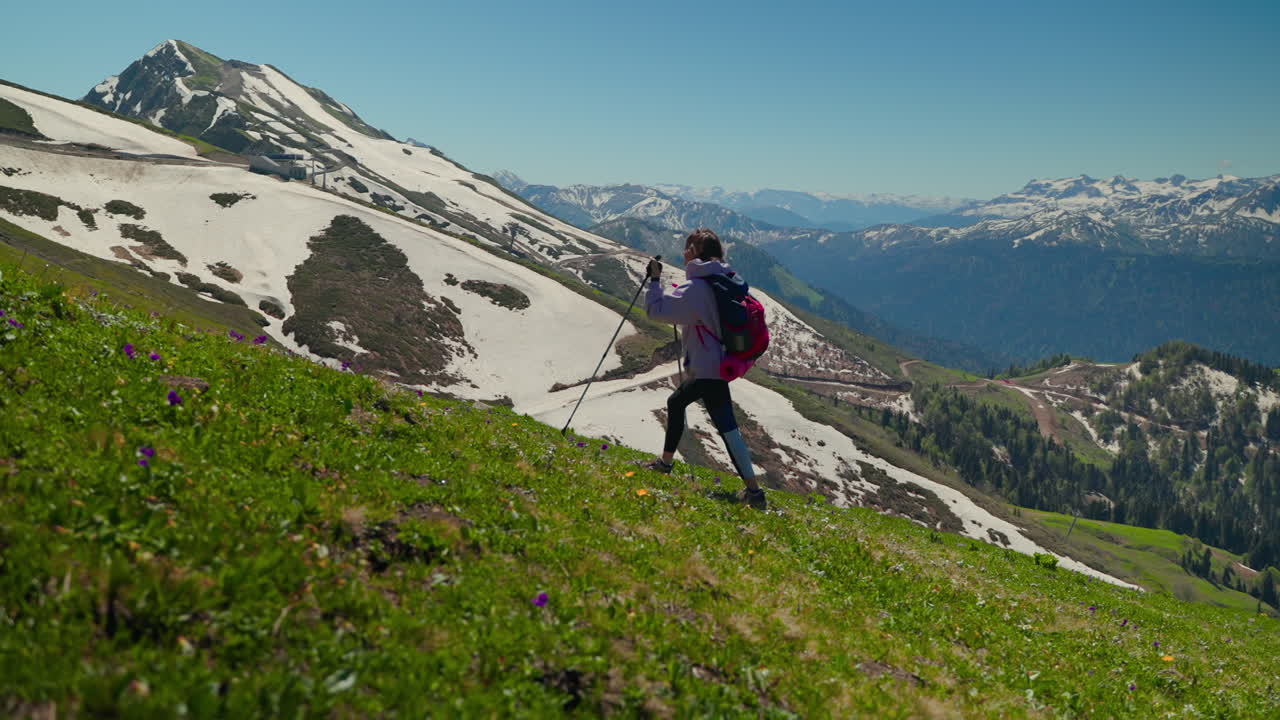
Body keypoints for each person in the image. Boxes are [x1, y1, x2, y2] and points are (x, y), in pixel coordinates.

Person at [642, 228, 766, 509]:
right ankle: (752, 491)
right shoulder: (721, 281)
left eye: (688, 248)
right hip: (716, 365)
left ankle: (755, 493)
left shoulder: (697, 288)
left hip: (706, 368)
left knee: (726, 428)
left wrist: (655, 280)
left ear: (696, 252)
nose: (684, 253)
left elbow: (656, 312)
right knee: (681, 405)